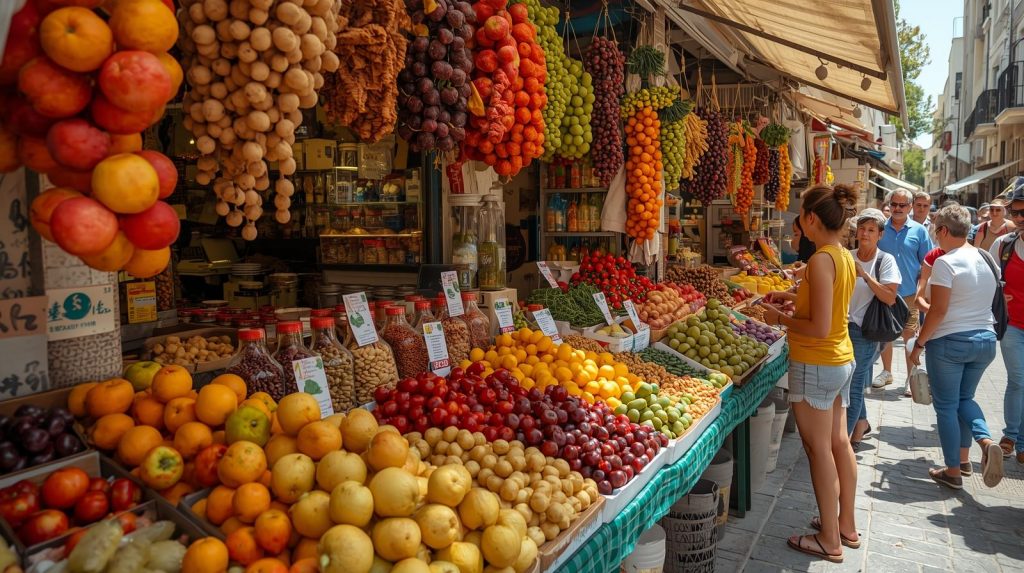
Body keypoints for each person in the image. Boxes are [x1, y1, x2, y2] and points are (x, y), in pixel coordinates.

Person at [761, 184, 859, 563]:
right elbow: (827, 305)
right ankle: (846, 525)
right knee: (838, 443)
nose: (797, 221)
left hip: (818, 361)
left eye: (800, 214)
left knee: (817, 450)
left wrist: (779, 318)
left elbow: (817, 326)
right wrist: (791, 299)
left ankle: (830, 539)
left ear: (812, 219)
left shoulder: (819, 260)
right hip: (840, 358)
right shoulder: (842, 255)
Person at [909, 204, 1003, 489]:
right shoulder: (986, 258)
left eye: (937, 230)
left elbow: (938, 312)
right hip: (985, 340)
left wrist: (919, 343)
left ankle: (952, 470)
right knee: (965, 400)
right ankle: (972, 452)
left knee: (947, 406)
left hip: (951, 342)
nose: (935, 236)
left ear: (945, 230)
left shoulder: (945, 262)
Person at [846, 208, 901, 451]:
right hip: (841, 328)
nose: (865, 234)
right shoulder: (847, 255)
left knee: (853, 386)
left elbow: (889, 297)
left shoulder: (885, 260)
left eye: (871, 230)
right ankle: (862, 425)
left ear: (880, 234)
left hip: (865, 332)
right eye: (862, 228)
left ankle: (847, 442)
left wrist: (865, 276)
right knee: (848, 383)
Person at [873, 188, 932, 395]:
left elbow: (927, 263)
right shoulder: (879, 229)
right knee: (885, 334)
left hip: (909, 293)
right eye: (894, 204)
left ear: (910, 207)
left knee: (909, 335)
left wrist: (921, 290)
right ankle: (887, 372)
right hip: (884, 290)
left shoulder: (919, 231)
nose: (897, 209)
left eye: (902, 205)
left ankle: (910, 377)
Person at [989, 184, 1024, 463]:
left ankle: (1021, 443)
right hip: (1013, 325)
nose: (1019, 217)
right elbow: (986, 279)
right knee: (1018, 379)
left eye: (1023, 212)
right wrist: (998, 292)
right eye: (1015, 212)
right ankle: (1011, 436)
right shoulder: (1003, 244)